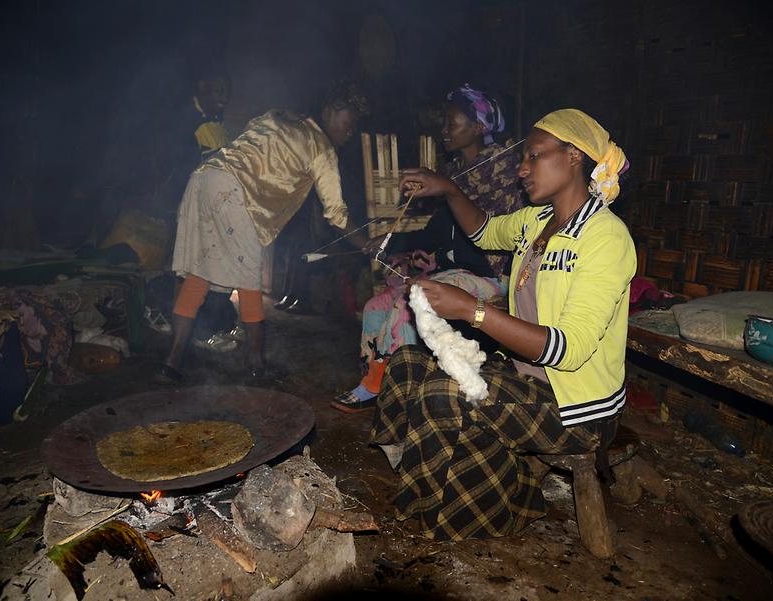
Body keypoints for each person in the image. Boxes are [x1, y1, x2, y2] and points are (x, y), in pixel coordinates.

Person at [370, 108, 634, 541]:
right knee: (406, 365)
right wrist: (449, 188)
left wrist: (474, 311)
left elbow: (568, 349)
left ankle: (494, 505)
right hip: (527, 378)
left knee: (445, 391)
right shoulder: (538, 221)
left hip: (577, 407)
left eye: (533, 156)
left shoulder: (605, 238)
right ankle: (428, 488)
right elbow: (485, 232)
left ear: (572, 156)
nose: (522, 168)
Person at [159, 82, 370, 381]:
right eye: (347, 125)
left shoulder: (279, 116)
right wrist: (364, 243)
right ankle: (257, 365)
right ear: (328, 112)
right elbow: (335, 213)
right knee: (249, 282)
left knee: (196, 274)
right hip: (234, 193)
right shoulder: (321, 149)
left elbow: (248, 135)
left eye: (352, 130)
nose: (347, 135)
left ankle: (171, 364)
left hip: (204, 178)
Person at [331, 85, 524, 412]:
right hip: (458, 270)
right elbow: (439, 228)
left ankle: (406, 391)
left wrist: (441, 256)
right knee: (377, 304)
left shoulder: (503, 170)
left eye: (453, 123)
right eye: (445, 123)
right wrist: (395, 244)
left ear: (478, 127)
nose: (444, 130)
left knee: (412, 302)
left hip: (491, 275)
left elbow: (488, 236)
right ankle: (375, 381)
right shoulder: (456, 171)